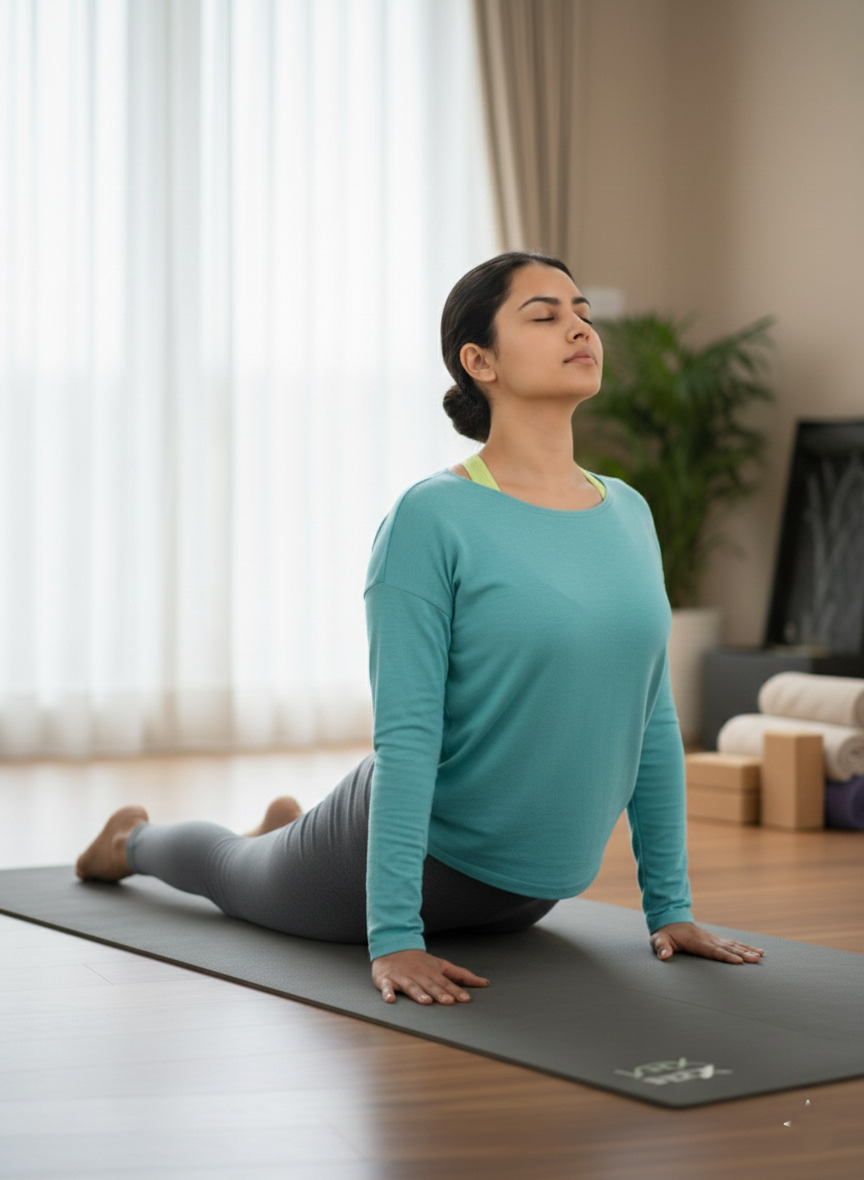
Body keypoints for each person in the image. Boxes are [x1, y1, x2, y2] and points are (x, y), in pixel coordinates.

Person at [76, 251, 764, 1006]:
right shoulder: (430, 518)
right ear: (480, 361)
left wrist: (672, 910)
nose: (578, 328)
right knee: (237, 874)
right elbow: (407, 738)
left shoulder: (629, 512)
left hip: (530, 896)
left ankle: (287, 827)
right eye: (544, 315)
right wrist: (397, 936)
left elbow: (653, 721)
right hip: (420, 862)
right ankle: (131, 841)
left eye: (582, 314)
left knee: (268, 852)